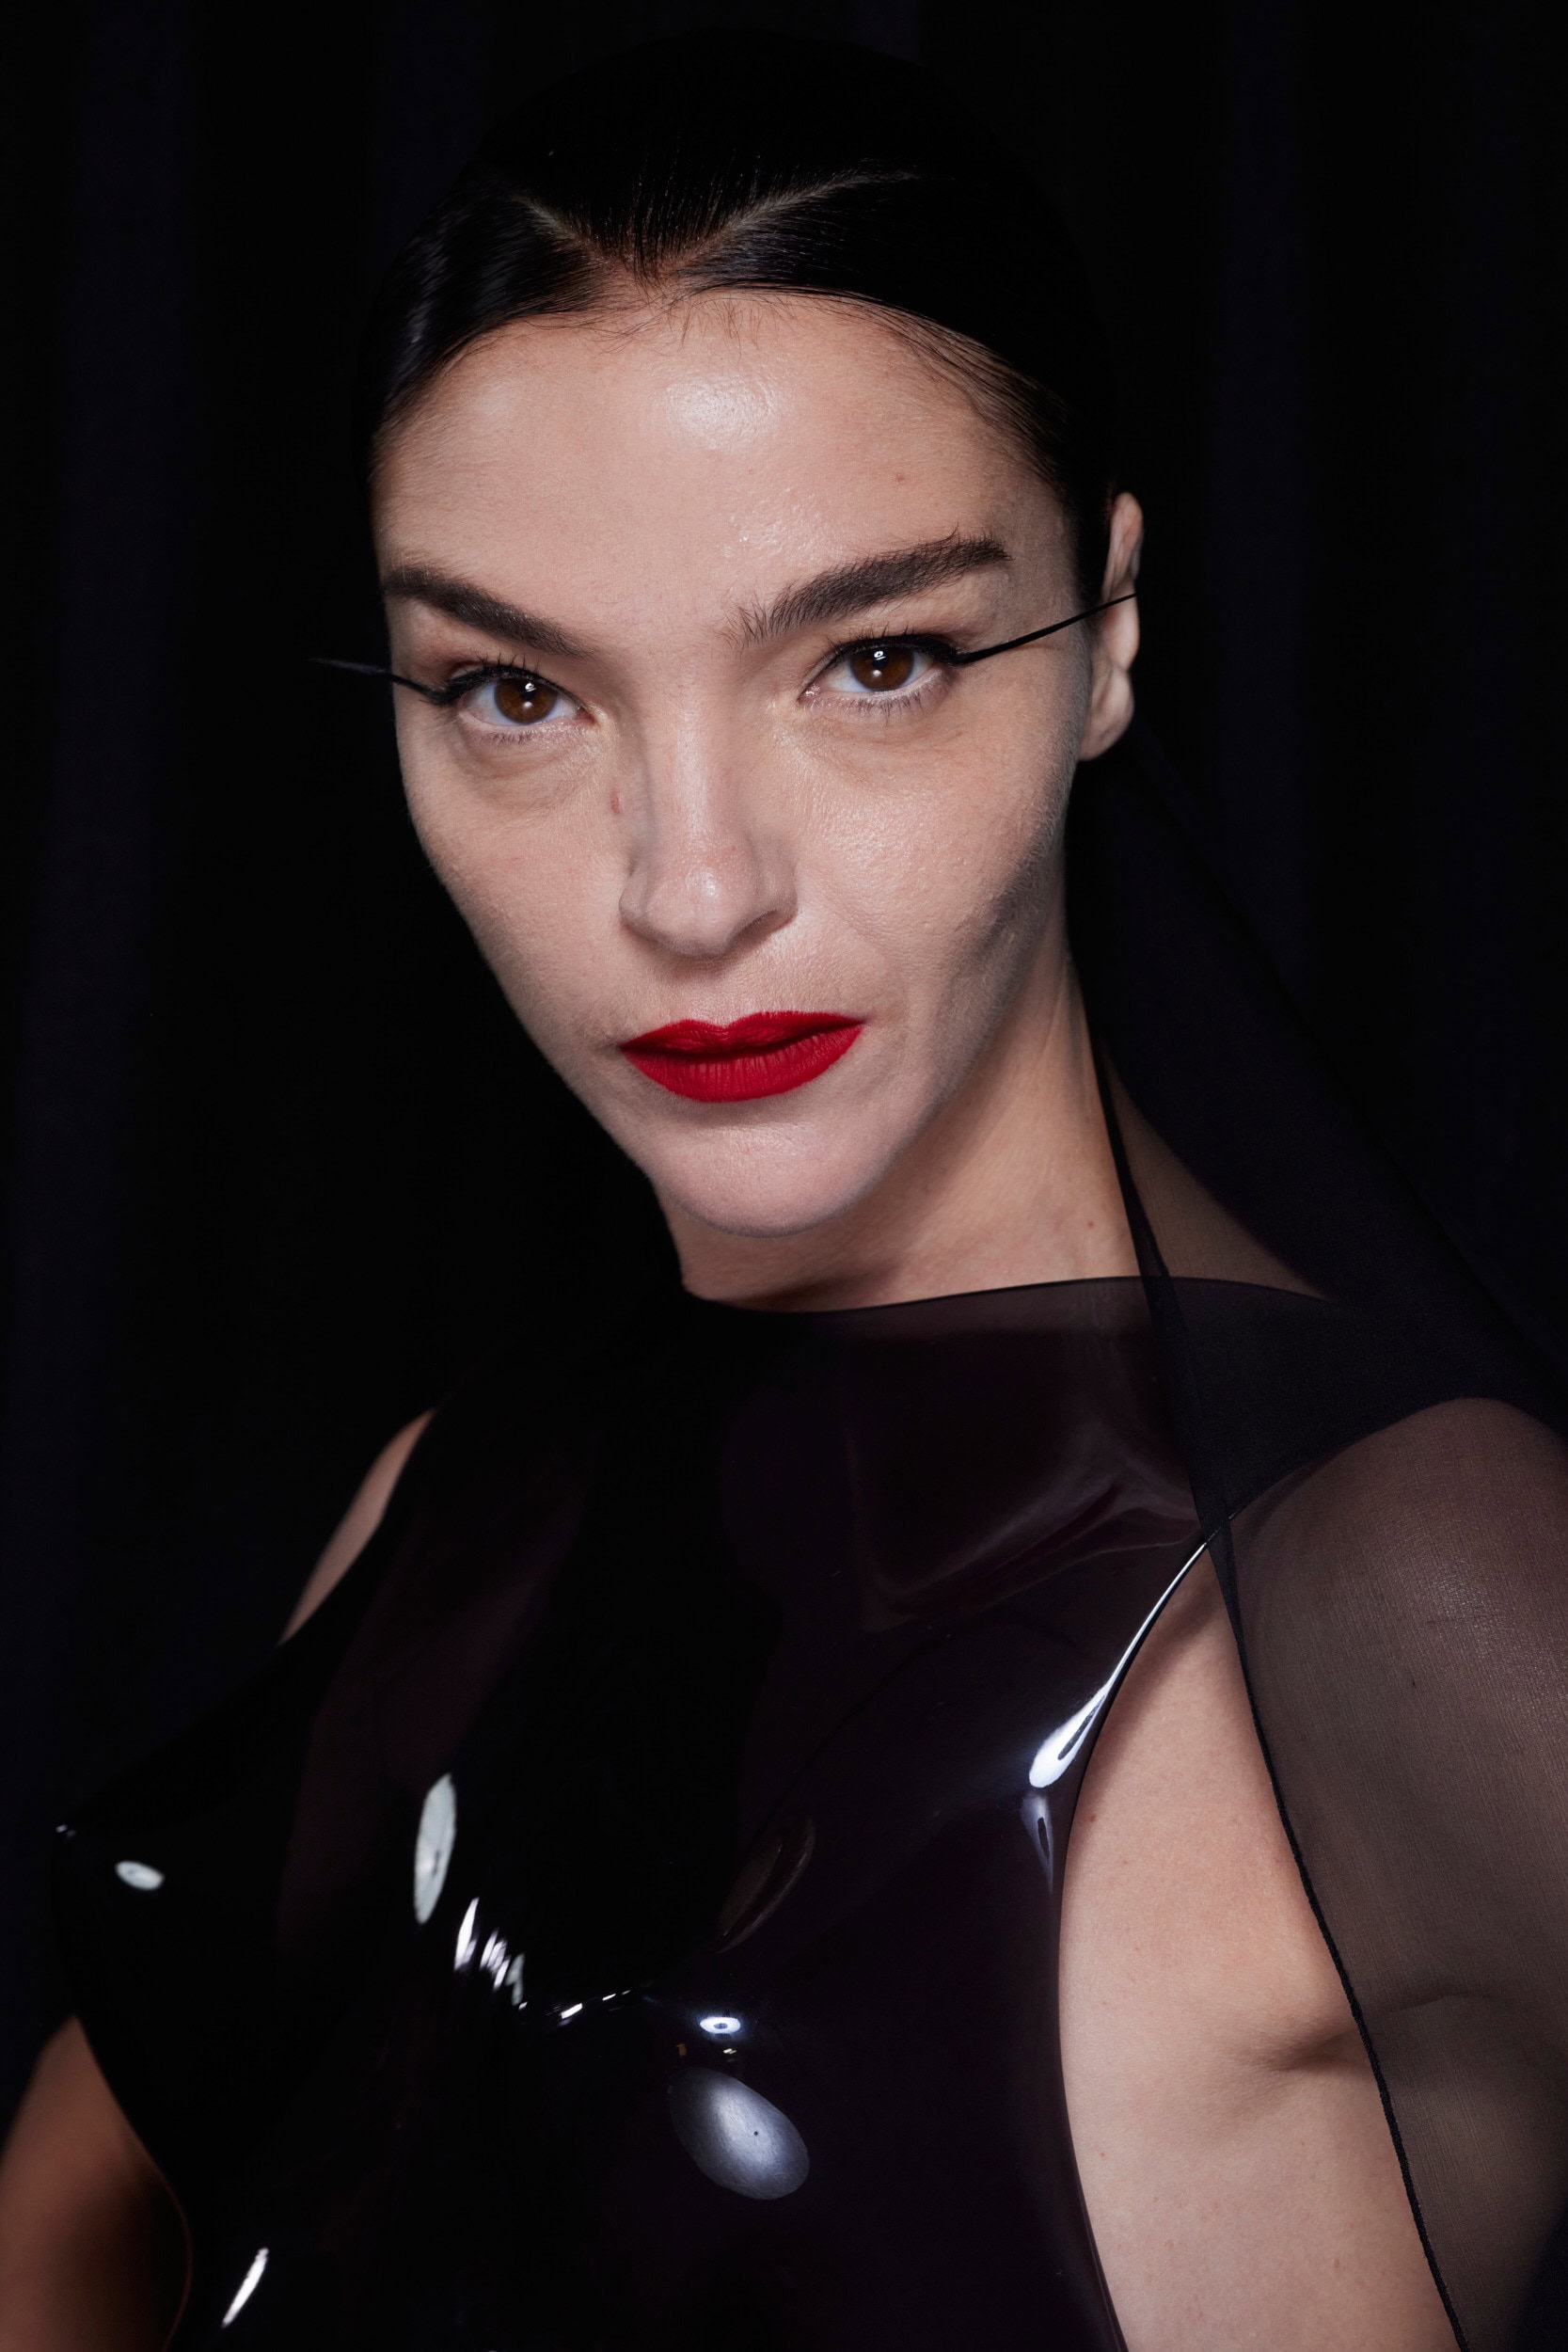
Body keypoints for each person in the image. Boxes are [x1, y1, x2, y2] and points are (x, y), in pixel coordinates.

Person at [2, 31, 1565, 2351]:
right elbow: (68, 2219)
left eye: (877, 659)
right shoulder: (457, 1494)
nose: (693, 885)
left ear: (1109, 631)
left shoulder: (1418, 1588)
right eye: (516, 692)